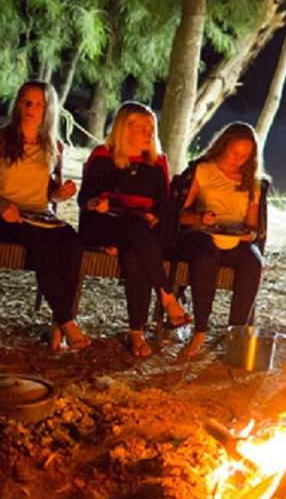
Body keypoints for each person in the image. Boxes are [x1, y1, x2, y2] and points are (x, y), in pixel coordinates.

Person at [78, 103, 191, 356]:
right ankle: (167, 297)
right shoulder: (102, 157)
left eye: (151, 128)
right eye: (141, 128)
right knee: (137, 234)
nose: (149, 133)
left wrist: (154, 217)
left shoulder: (157, 163)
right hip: (103, 228)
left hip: (138, 234)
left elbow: (164, 207)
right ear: (123, 129)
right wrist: (95, 203)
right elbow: (84, 199)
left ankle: (137, 334)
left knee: (135, 249)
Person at [0, 80, 90, 351]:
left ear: (48, 109)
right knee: (41, 243)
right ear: (18, 104)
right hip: (7, 215)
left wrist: (60, 194)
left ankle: (59, 324)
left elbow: (50, 193)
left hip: (39, 215)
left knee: (72, 243)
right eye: (27, 101)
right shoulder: (3, 139)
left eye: (39, 104)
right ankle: (67, 322)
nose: (31, 108)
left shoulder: (54, 147)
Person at [173, 122, 265, 358]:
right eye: (234, 152)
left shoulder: (251, 182)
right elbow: (180, 215)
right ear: (223, 145)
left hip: (234, 239)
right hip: (202, 235)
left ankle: (235, 335)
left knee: (253, 263)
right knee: (206, 258)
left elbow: (253, 227)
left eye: (245, 155)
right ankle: (200, 331)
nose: (238, 159)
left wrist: (250, 234)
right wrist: (202, 218)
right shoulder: (204, 170)